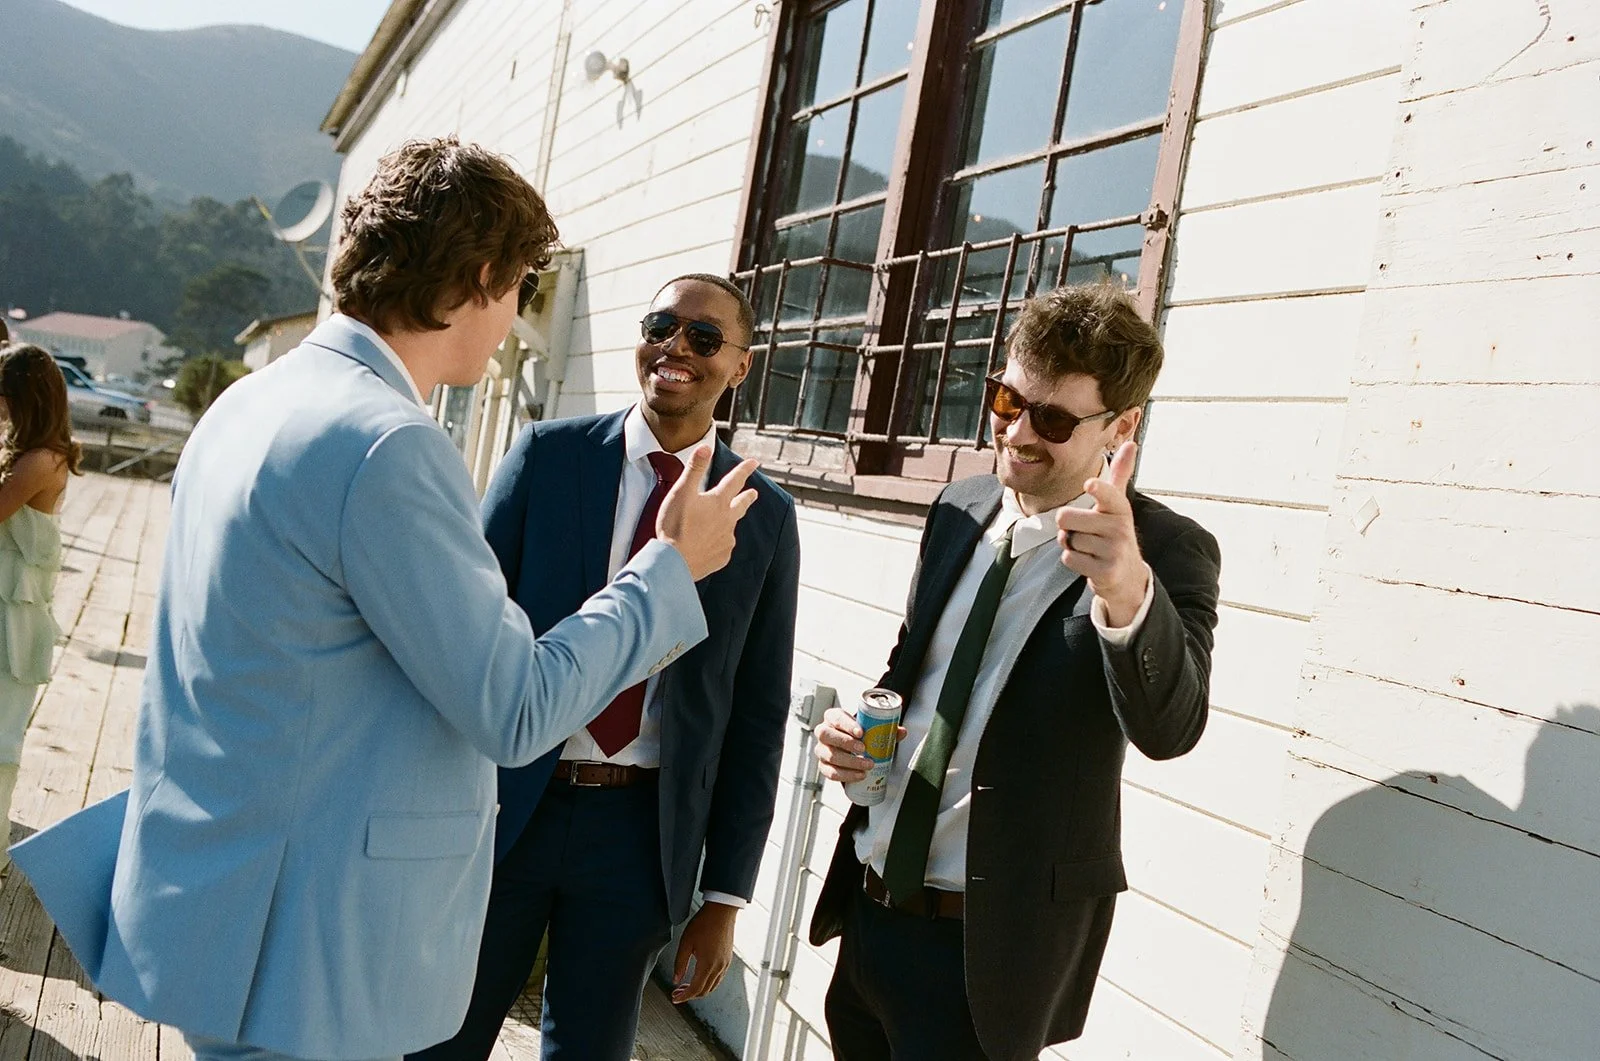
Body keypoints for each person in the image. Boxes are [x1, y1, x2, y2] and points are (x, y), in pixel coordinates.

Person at [10, 137, 760, 1061]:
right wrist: (667, 571)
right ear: (482, 275)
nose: (518, 313)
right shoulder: (389, 446)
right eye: (521, 285)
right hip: (304, 949)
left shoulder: (246, 403)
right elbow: (516, 704)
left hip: (212, 910)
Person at [808, 282, 1223, 1061]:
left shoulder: (1162, 551)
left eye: (1054, 419)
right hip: (869, 919)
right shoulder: (961, 506)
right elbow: (914, 672)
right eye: (1007, 400)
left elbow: (1173, 727)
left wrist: (1127, 591)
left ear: (1122, 426)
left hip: (984, 961)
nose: (1019, 433)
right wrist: (859, 741)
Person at [413, 274, 800, 1060]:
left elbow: (757, 714)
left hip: (640, 834)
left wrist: (724, 895)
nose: (675, 347)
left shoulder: (764, 515)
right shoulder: (548, 458)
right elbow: (463, 635)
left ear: (741, 365)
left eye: (702, 337)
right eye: (662, 324)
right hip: (508, 805)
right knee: (435, 1039)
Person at [0, 345, 81, 868]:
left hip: (13, 618)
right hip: (7, 605)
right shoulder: (27, 451)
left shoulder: (41, 461)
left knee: (0, 736)